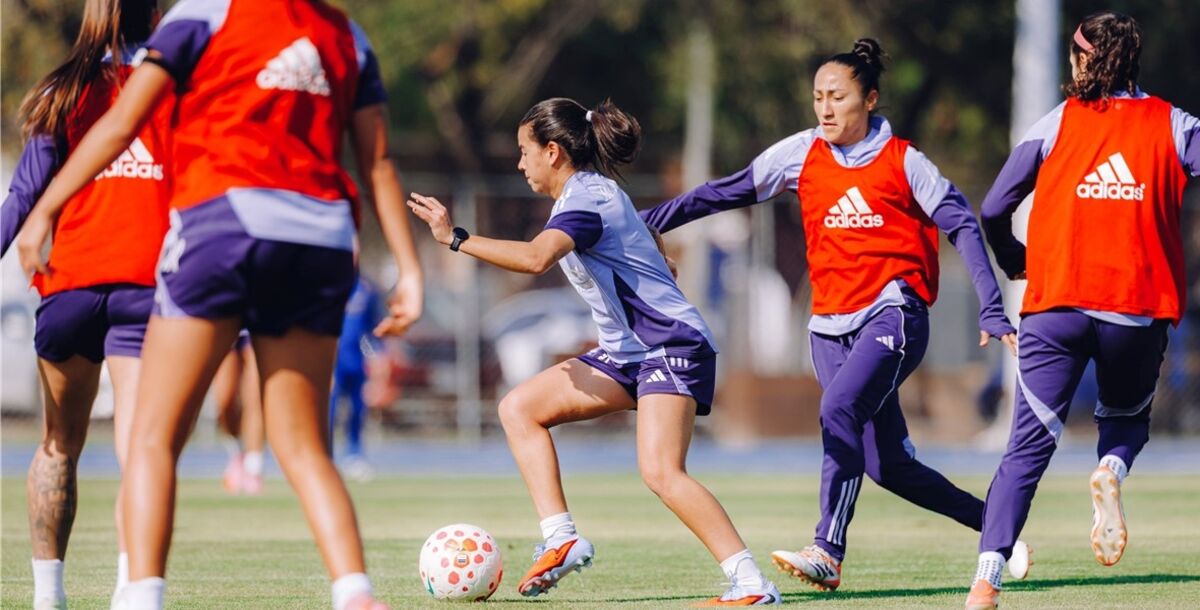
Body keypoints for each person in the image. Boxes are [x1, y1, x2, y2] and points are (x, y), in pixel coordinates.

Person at [15, 0, 424, 608]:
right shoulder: (348, 35)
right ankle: (354, 590)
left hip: (223, 224)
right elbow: (378, 162)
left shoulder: (204, 13)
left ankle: (140, 596)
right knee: (305, 444)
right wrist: (409, 269)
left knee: (152, 437)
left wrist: (45, 210)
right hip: (321, 237)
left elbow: (122, 123)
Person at [639, 38, 1026, 593]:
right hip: (827, 327)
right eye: (818, 96)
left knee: (838, 408)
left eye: (837, 96)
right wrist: (646, 222)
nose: (825, 107)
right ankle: (997, 527)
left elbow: (962, 222)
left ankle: (827, 550)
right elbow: (724, 193)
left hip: (894, 313)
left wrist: (992, 307)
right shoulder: (800, 152)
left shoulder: (904, 160)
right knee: (888, 466)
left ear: (869, 99)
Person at [408, 97, 782, 606]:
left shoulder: (584, 200)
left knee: (661, 472)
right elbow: (639, 236)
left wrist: (456, 238)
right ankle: (561, 539)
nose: (519, 163)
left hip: (670, 346)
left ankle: (753, 585)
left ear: (553, 152)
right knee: (519, 409)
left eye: (524, 151)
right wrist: (654, 258)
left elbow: (536, 258)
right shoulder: (587, 196)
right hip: (629, 354)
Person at [965, 12, 1198, 610]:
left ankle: (986, 582)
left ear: (1080, 59)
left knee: (1025, 451)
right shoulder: (1175, 123)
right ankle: (1111, 471)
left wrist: (1014, 257)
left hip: (1056, 307)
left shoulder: (1056, 121)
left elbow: (993, 207)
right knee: (1125, 422)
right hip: (1135, 310)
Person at [1, 1, 168, 607]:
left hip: (69, 284)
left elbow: (22, 196)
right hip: (146, 287)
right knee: (139, 447)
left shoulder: (62, 89)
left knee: (58, 442)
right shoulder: (175, 87)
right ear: (155, 11)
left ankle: (49, 596)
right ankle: (131, 588)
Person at [330, 275, 384, 481]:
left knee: (357, 410)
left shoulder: (366, 289)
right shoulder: (325, 284)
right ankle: (325, 455)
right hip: (331, 364)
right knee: (329, 411)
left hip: (357, 363)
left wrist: (376, 358)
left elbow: (371, 331)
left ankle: (354, 454)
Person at [212, 332, 265, 494]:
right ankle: (237, 452)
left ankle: (253, 466)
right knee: (225, 400)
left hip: (256, 325)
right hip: (228, 324)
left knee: (256, 396)